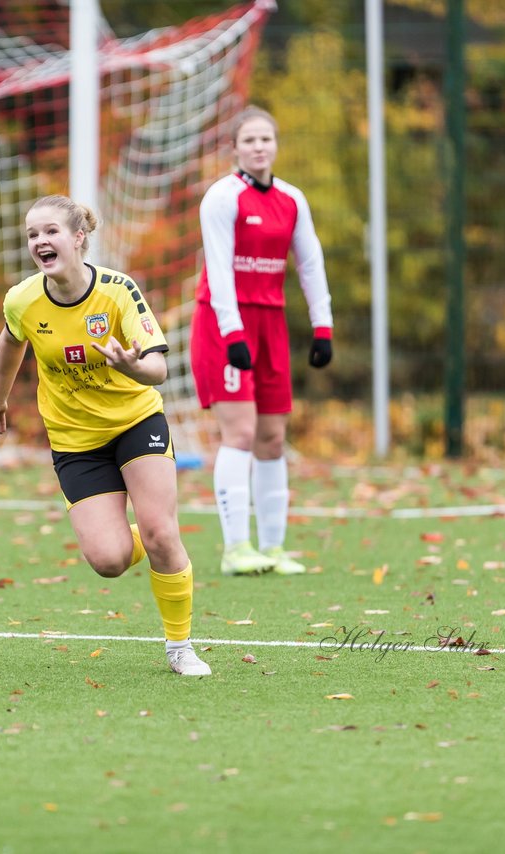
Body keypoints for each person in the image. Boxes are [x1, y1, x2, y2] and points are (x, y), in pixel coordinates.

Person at [0, 194, 212, 676]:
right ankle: (148, 532)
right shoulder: (22, 299)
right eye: (32, 234)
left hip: (135, 422)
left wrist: (134, 365)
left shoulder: (118, 291)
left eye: (50, 231)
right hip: (75, 440)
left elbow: (160, 368)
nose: (40, 241)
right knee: (108, 560)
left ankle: (179, 648)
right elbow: (9, 342)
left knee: (163, 533)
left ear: (79, 237)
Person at [190, 105, 334, 577]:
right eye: (249, 140)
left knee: (273, 438)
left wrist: (322, 325)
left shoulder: (292, 199)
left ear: (276, 145)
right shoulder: (222, 197)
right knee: (241, 433)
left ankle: (272, 548)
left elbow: (309, 264)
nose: (258, 147)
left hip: (270, 322)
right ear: (234, 148)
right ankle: (236, 549)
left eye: (265, 139)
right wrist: (232, 333)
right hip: (223, 322)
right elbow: (218, 268)